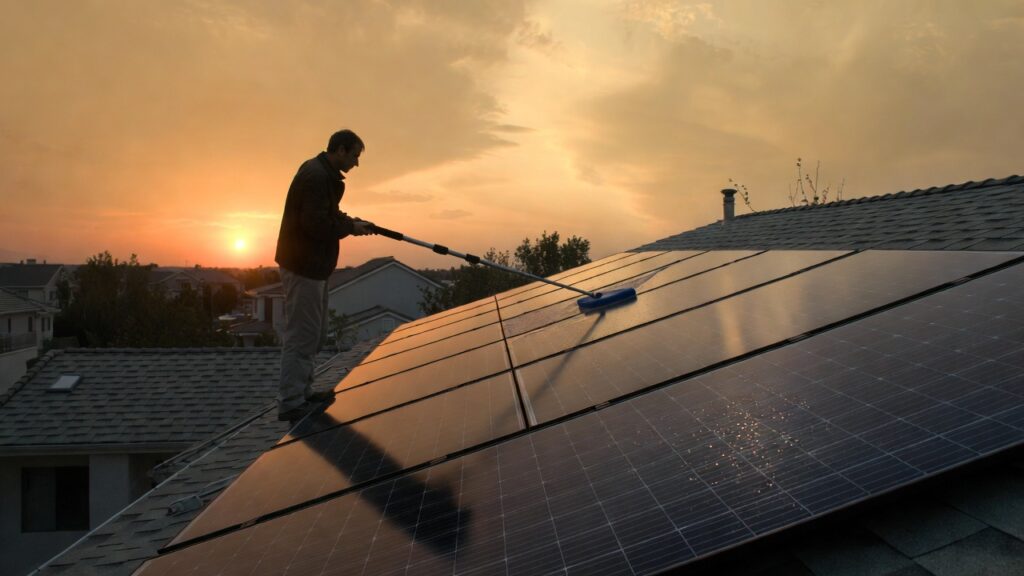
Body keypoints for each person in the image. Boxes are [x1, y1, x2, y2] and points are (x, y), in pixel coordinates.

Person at [274, 129, 373, 421]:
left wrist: (351, 221)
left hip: (314, 268)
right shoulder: (316, 176)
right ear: (340, 150)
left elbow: (327, 216)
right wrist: (349, 229)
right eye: (354, 155)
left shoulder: (324, 176)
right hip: (303, 266)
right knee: (301, 335)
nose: (356, 163)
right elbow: (315, 225)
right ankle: (291, 401)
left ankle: (304, 392)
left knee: (314, 334)